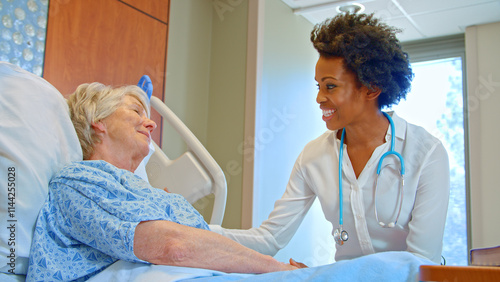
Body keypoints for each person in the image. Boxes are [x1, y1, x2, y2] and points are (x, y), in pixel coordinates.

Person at [210, 13, 450, 264]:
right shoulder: (314, 157)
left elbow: (422, 262)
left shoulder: (426, 154)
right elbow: (269, 238)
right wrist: (197, 229)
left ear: (371, 88)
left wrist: (324, 278)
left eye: (330, 86)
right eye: (318, 86)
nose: (319, 98)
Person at [26, 83, 298, 282]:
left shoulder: (135, 190)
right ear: (98, 121)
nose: (151, 125)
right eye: (135, 111)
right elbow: (175, 248)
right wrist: (278, 269)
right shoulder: (77, 183)